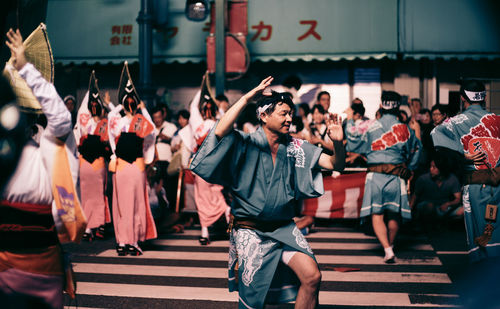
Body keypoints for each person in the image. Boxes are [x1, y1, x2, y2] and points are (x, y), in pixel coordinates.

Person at [190, 76, 345, 308]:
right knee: (254, 301)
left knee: (312, 277)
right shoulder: (245, 142)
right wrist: (245, 99)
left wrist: (339, 144)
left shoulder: (296, 147)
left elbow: (335, 165)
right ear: (263, 116)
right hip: (251, 231)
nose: (289, 119)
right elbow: (219, 132)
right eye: (283, 113)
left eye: (290, 113)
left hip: (283, 228)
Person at [1, 28, 82, 309]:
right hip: (3, 262)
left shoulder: (49, 142)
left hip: (45, 262)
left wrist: (25, 68)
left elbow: (60, 116)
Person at [431, 80, 500, 263]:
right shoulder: (497, 119)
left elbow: (435, 135)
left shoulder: (456, 121)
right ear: (484, 97)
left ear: (463, 98)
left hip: (476, 184)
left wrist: (463, 153)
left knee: (479, 236)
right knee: (495, 232)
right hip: (497, 185)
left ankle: (484, 280)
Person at [357, 91, 421, 263]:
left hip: (375, 175)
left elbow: (359, 147)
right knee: (394, 214)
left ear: (381, 105)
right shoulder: (405, 129)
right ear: (398, 107)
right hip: (396, 175)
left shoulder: (370, 127)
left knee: (376, 214)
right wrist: (411, 167)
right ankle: (390, 246)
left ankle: (387, 249)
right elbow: (416, 149)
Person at [108, 62, 157, 256]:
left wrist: (143, 110)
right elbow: (111, 131)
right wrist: (120, 102)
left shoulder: (141, 121)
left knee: (136, 203)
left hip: (136, 165)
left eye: (131, 101)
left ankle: (133, 240)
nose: (129, 104)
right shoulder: (117, 121)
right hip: (122, 165)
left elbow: (152, 132)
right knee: (121, 204)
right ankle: (122, 241)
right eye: (126, 101)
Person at [189, 85, 230, 245]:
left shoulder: (199, 123)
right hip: (216, 162)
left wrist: (202, 88)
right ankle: (225, 209)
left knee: (202, 196)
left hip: (202, 162)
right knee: (216, 190)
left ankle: (205, 231)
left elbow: (193, 106)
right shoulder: (219, 122)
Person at [73, 71, 111, 241]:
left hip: (98, 162)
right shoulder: (85, 124)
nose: (95, 108)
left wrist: (109, 105)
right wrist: (91, 88)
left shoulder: (105, 123)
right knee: (86, 194)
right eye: (93, 105)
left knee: (98, 194)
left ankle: (100, 223)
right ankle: (88, 226)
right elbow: (82, 110)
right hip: (85, 162)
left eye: (98, 106)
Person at [410, 159, 463, 224]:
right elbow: (415, 195)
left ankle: (444, 223)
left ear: (442, 169)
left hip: (444, 207)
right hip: (427, 206)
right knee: (430, 206)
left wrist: (448, 204)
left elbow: (458, 199)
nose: (431, 169)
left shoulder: (452, 179)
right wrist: (410, 209)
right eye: (430, 166)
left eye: (434, 167)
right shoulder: (423, 179)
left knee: (463, 210)